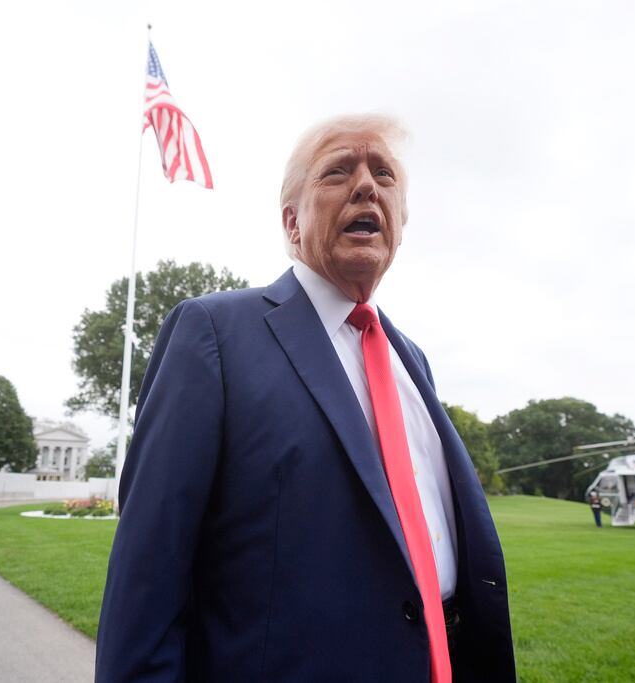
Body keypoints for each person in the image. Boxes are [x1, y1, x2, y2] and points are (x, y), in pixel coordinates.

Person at [95, 114, 515, 682]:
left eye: (384, 175)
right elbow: (147, 579)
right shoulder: (213, 334)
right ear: (292, 223)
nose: (367, 185)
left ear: (400, 223)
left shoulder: (411, 359)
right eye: (338, 171)